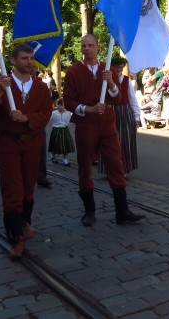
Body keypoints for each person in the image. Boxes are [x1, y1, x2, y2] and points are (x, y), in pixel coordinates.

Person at [62, 34, 144, 227]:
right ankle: (89, 211)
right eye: (84, 46)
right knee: (85, 165)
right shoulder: (74, 71)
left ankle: (122, 210)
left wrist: (112, 83)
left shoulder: (107, 70)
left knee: (115, 164)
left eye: (91, 45)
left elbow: (117, 99)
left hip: (107, 123)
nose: (87, 48)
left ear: (98, 47)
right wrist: (86, 109)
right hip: (85, 124)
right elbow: (68, 101)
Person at [0, 44, 53, 257]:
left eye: (31, 58)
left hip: (32, 143)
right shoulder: (2, 82)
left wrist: (28, 118)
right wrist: (0, 93)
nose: (29, 62)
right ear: (13, 60)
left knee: (28, 186)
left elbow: (46, 112)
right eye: (24, 58)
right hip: (9, 144)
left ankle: (24, 222)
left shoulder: (40, 87)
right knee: (12, 188)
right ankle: (16, 236)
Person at [100, 57, 139, 174]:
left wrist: (136, 116)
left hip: (125, 111)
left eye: (120, 67)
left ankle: (124, 169)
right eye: (116, 67)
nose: (118, 69)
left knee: (125, 140)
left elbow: (133, 99)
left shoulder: (127, 81)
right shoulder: (106, 81)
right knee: (109, 140)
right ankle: (109, 168)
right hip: (110, 111)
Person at [48, 98, 75, 166]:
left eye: (61, 104)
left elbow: (71, 122)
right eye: (58, 104)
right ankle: (53, 155)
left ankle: (65, 159)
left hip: (64, 130)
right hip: (56, 130)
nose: (59, 106)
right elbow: (48, 119)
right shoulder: (54, 113)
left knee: (66, 144)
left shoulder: (68, 113)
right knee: (55, 144)